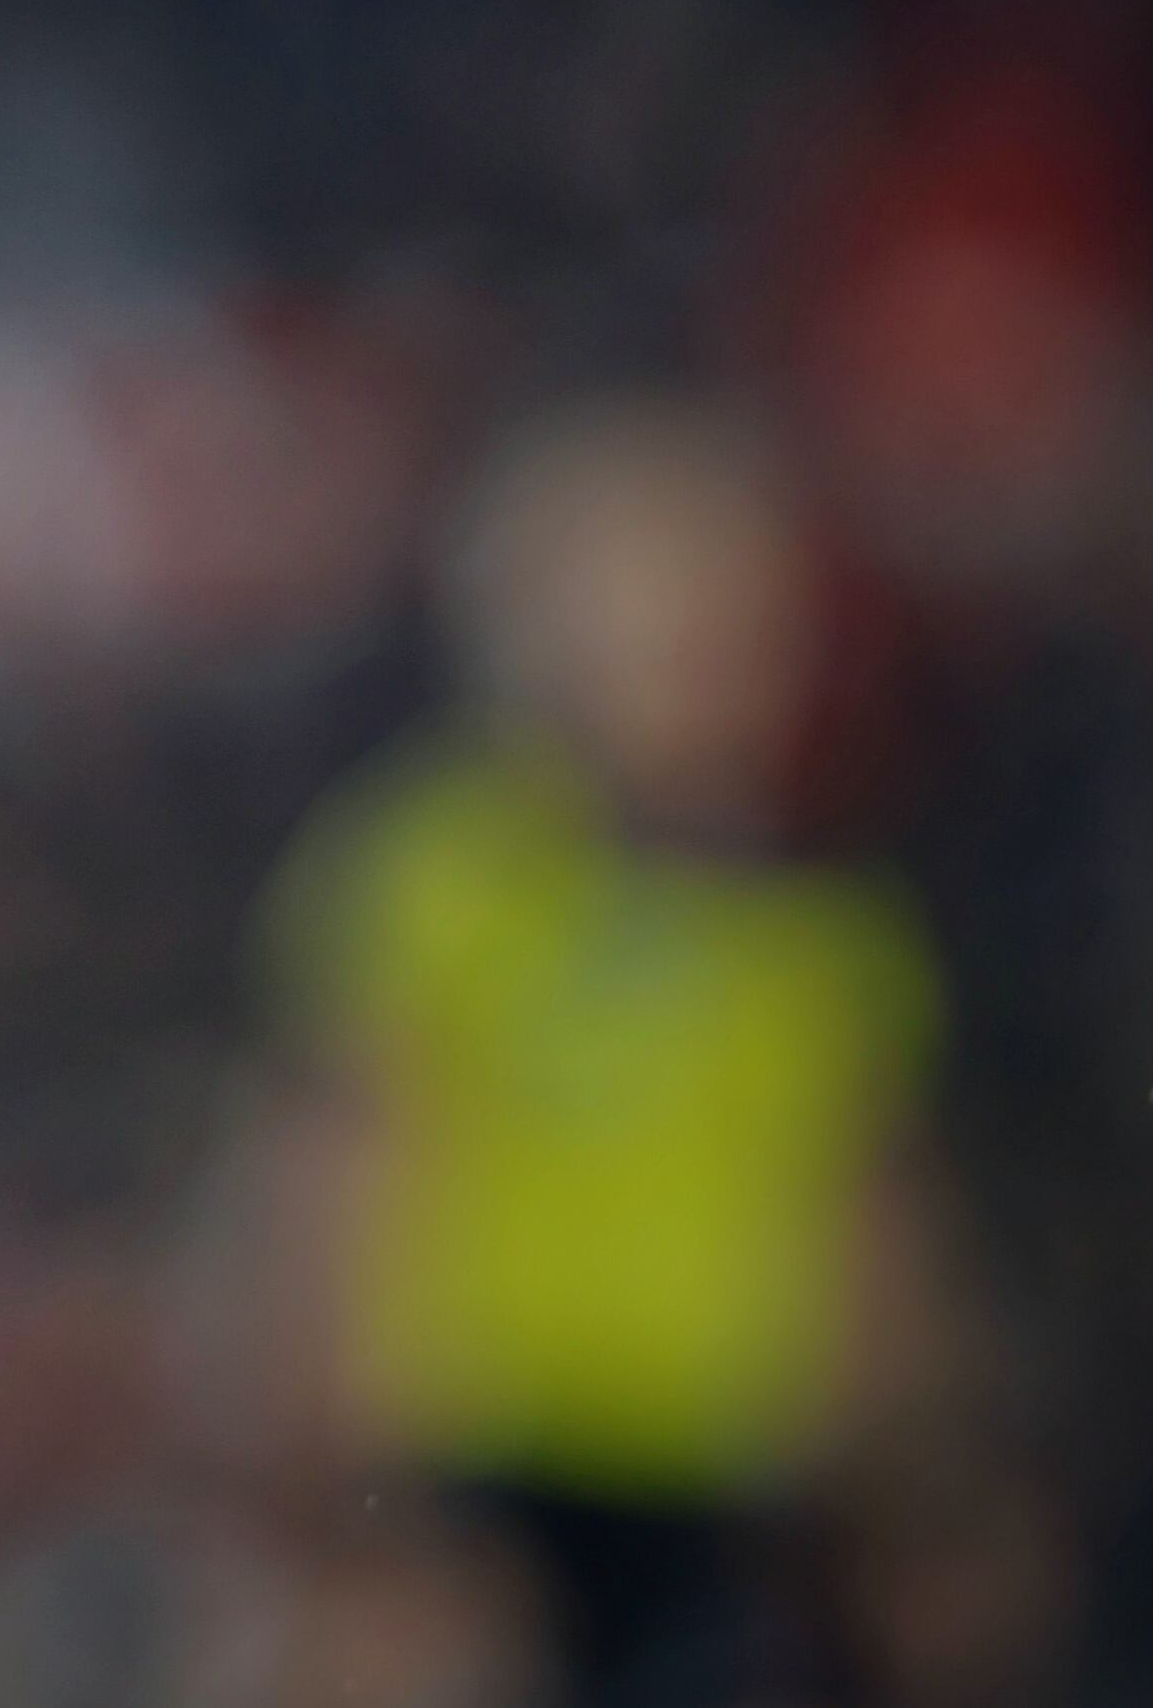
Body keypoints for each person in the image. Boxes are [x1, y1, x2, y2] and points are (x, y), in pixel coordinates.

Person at [262, 396, 949, 1708]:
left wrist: (877, 1456)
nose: (693, 674)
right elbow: (354, 1153)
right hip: (481, 1448)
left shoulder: (819, 928)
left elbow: (861, 1199)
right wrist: (351, 1461)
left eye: (727, 633)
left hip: (725, 1467)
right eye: (645, 630)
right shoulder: (443, 880)